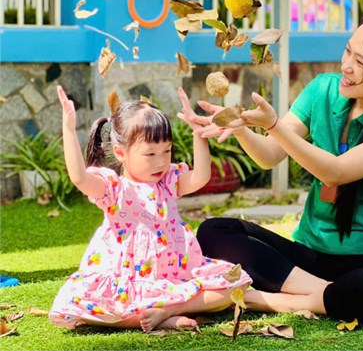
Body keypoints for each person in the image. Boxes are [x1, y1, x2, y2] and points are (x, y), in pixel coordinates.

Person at [178, 9, 363, 322]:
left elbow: (335, 172)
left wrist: (273, 125)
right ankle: (327, 294)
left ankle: (265, 299)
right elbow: (269, 155)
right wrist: (240, 127)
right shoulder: (323, 90)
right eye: (347, 51)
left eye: (361, 62)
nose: (346, 66)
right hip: (309, 260)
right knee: (214, 231)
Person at [50, 86, 251, 332]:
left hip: (172, 275)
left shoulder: (167, 182)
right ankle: (154, 317)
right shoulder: (114, 189)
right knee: (84, 306)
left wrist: (198, 133)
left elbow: (200, 177)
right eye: (150, 154)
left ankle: (168, 311)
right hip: (129, 280)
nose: (161, 161)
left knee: (235, 285)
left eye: (167, 151)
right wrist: (69, 128)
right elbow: (80, 178)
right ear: (120, 153)